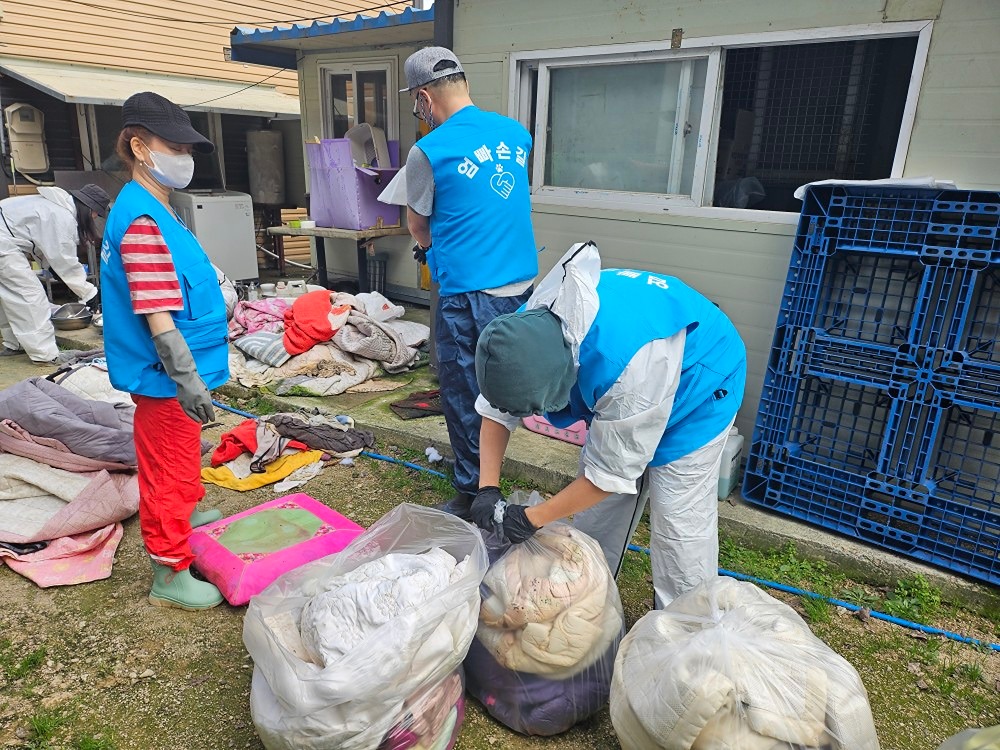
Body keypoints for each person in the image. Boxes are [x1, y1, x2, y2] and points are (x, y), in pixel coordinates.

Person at [471, 242, 748, 609]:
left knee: (680, 526)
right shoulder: (519, 336)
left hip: (701, 380)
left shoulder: (628, 366)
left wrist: (534, 518)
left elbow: (608, 475)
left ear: (562, 379)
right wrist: (487, 487)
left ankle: (688, 630)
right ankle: (587, 604)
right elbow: (496, 413)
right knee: (597, 520)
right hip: (636, 368)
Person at [100, 91, 228, 611]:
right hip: (166, 375)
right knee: (169, 469)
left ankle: (187, 513)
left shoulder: (157, 208)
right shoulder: (142, 220)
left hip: (175, 373)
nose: (184, 156)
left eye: (187, 146)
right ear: (139, 146)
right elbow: (155, 312)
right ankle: (170, 570)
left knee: (179, 463)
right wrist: (186, 377)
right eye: (172, 145)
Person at [402, 46, 539, 520]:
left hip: (468, 291)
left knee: (464, 390)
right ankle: (491, 476)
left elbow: (418, 228)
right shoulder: (516, 134)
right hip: (522, 287)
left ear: (424, 98)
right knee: (505, 386)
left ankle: (473, 489)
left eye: (415, 104)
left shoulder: (429, 150)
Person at [0, 184, 110, 365]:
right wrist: (89, 292)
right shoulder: (61, 216)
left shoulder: (55, 206)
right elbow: (64, 259)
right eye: (96, 213)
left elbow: (42, 242)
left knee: (9, 296)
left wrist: (51, 268)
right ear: (88, 207)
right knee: (30, 297)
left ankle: (16, 343)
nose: (95, 217)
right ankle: (46, 355)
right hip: (4, 243)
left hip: (5, 239)